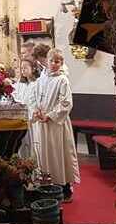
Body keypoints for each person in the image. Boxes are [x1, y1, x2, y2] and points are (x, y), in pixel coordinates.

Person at [30, 48, 80, 202]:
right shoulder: (41, 78)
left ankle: (64, 188)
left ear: (61, 63)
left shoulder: (62, 80)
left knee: (59, 156)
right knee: (43, 156)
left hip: (56, 125)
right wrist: (36, 110)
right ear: (47, 61)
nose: (53, 64)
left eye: (57, 61)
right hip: (42, 123)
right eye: (51, 61)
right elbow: (34, 96)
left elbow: (66, 103)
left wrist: (50, 115)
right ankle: (46, 187)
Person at [13, 58, 38, 158]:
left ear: (33, 68)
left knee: (33, 145)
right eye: (21, 68)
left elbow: (37, 102)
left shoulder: (37, 83)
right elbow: (15, 95)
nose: (23, 70)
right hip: (21, 117)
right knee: (22, 144)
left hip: (32, 118)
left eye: (25, 68)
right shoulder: (20, 83)